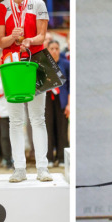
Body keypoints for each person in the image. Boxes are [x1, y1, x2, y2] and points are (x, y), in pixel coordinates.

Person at [0, 0, 51, 182]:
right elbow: (1, 41)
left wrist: (29, 39)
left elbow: (42, 35)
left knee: (38, 118)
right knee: (16, 120)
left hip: (35, 62)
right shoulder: (1, 8)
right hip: (12, 64)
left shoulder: (38, 4)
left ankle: (42, 167)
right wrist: (12, 37)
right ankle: (19, 168)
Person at [45, 39, 70, 167]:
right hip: (48, 99)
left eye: (56, 48)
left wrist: (69, 104)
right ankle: (48, 157)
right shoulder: (43, 64)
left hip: (62, 100)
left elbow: (70, 85)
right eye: (52, 49)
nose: (54, 51)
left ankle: (61, 158)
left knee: (62, 129)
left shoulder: (65, 64)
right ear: (48, 50)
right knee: (47, 128)